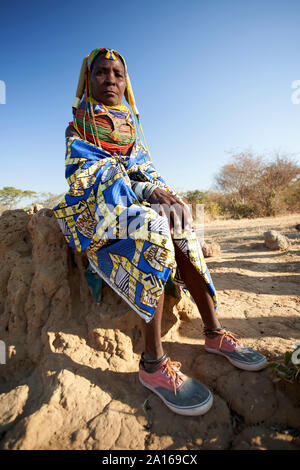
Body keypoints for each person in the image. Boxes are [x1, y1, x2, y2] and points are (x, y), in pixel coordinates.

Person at [54, 47, 267, 417]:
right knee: (153, 224)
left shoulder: (132, 127)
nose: (110, 80)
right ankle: (152, 364)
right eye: (102, 73)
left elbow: (146, 171)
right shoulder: (78, 126)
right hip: (95, 209)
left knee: (180, 218)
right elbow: (85, 177)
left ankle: (214, 334)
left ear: (126, 82)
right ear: (89, 79)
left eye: (118, 74)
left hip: (131, 201)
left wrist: (160, 193)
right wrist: (143, 192)